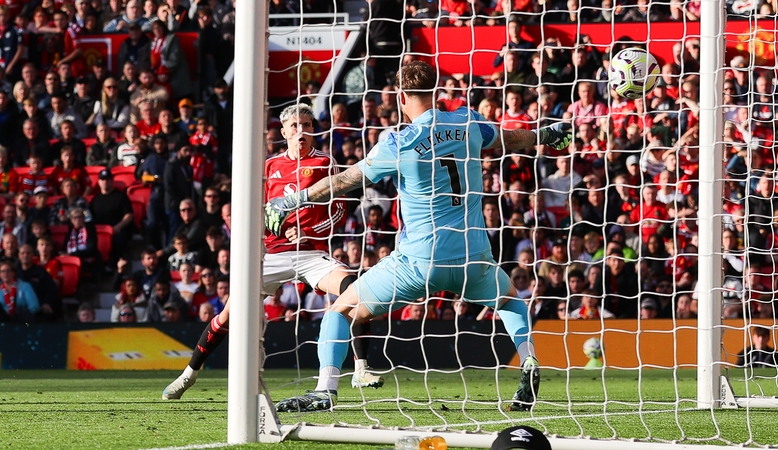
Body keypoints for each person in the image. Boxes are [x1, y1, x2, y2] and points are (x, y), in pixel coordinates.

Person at [265, 61, 572, 412]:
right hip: (474, 255)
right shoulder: (466, 121)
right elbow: (508, 138)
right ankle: (529, 361)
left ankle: (324, 391)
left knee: (342, 307)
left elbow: (343, 181)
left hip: (419, 261)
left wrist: (292, 199)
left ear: (400, 95)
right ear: (435, 89)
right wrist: (546, 135)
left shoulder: (397, 143)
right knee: (510, 301)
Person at [162, 103, 385, 401]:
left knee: (353, 289)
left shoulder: (324, 164)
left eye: (306, 125)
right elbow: (256, 210)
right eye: (295, 126)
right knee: (229, 314)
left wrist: (310, 232)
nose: (301, 131)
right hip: (273, 254)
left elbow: (339, 212)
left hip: (310, 252)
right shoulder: (269, 167)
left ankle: (360, 367)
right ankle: (188, 375)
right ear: (284, 132)